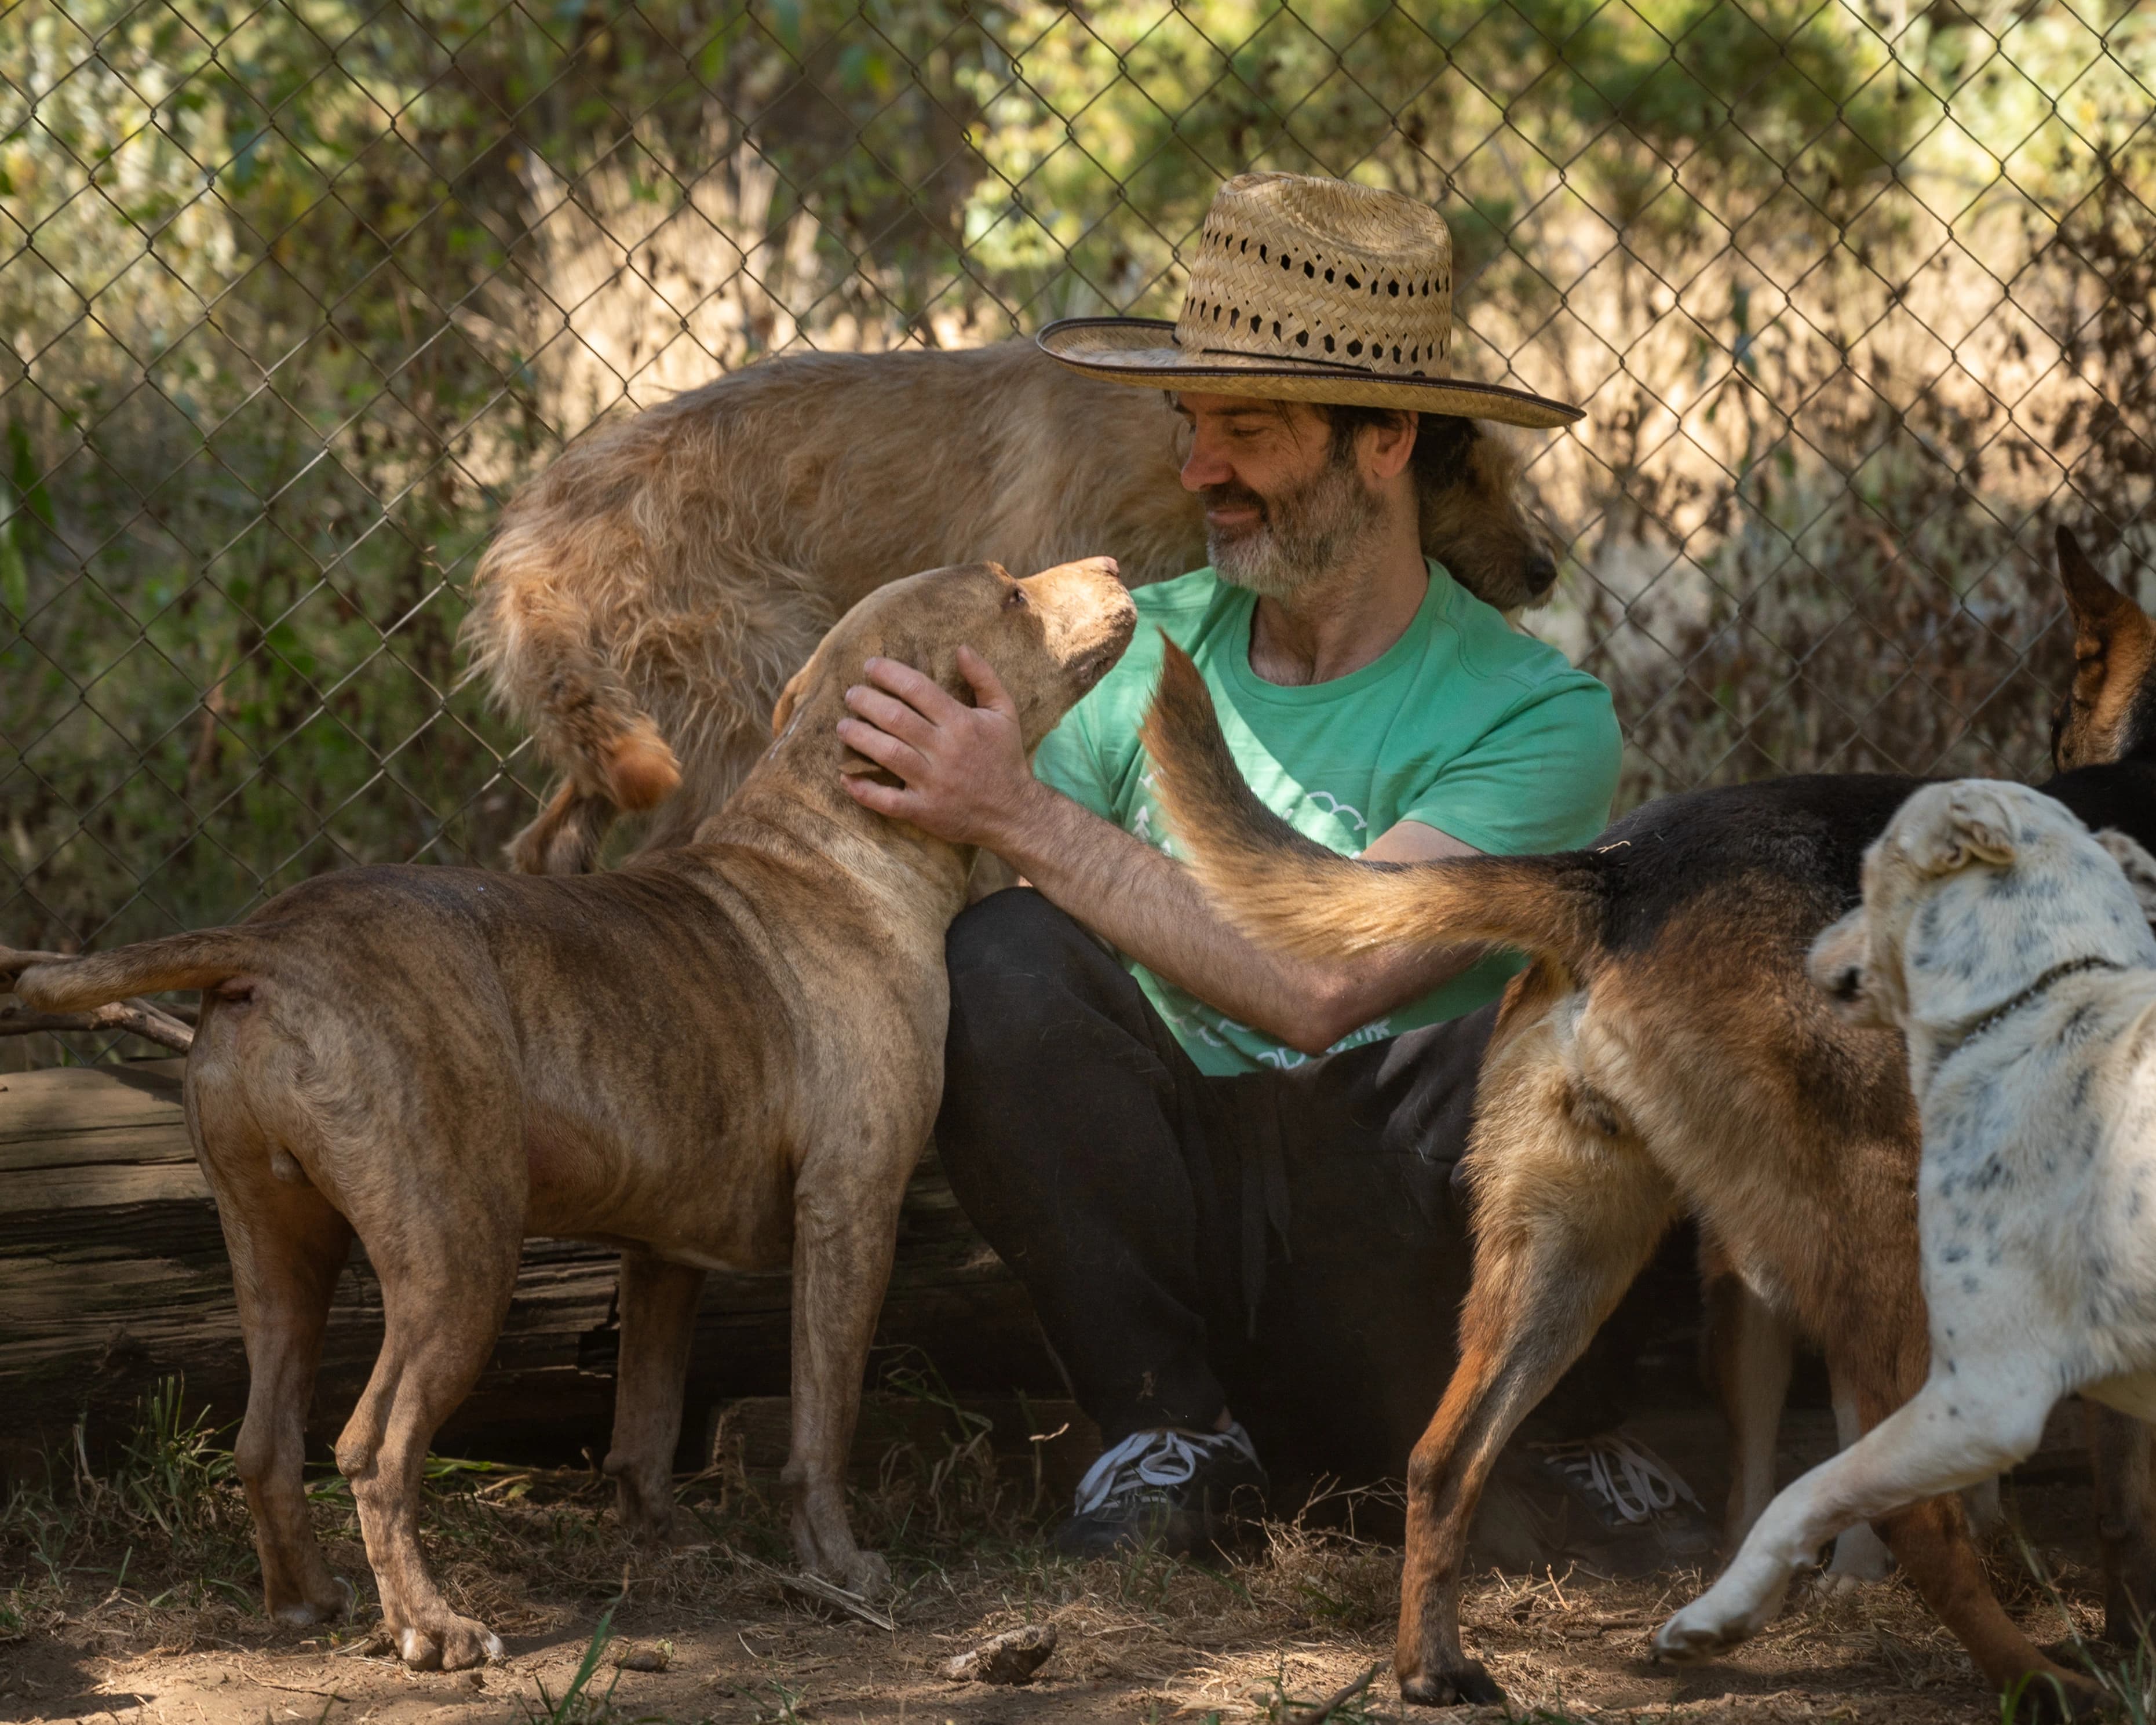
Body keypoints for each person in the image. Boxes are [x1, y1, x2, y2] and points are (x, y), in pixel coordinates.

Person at [834, 171, 1709, 1564]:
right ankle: (1166, 1443)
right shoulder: (1122, 643)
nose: (1195, 469)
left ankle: (1540, 1436)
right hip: (1176, 1232)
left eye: (1246, 427)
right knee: (999, 959)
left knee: (1604, 1006)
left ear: (1384, 442)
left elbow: (1325, 983)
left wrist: (1022, 814)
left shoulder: (1535, 716)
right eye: (1191, 424)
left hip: (1416, 1259)